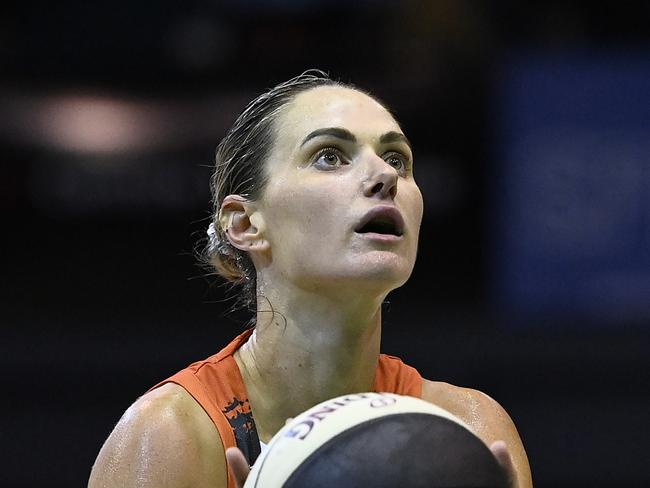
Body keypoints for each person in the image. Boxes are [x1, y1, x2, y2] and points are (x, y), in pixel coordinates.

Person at [88, 70, 532, 488]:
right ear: (244, 225)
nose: (384, 176)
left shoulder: (467, 429)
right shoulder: (170, 435)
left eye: (397, 158)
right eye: (329, 156)